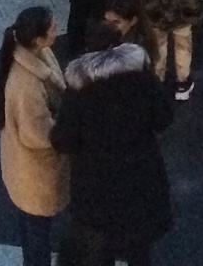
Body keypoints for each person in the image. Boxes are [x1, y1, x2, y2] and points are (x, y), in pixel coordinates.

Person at [51, 22, 175, 266]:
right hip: (142, 178)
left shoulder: (79, 88)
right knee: (140, 249)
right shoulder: (141, 76)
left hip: (97, 186)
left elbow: (63, 140)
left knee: (100, 249)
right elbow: (164, 118)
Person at [0, 6, 67, 266]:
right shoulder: (26, 86)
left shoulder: (37, 55)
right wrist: (68, 127)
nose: (56, 30)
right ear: (38, 38)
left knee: (30, 224)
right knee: (37, 230)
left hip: (24, 169)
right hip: (35, 174)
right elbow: (38, 134)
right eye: (52, 27)